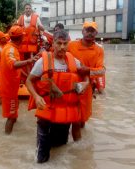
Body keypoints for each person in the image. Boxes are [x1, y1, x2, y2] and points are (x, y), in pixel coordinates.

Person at [26, 30, 89, 163]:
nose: (62, 47)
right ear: (53, 43)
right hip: (46, 112)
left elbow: (86, 72)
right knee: (42, 157)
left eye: (65, 43)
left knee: (60, 149)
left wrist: (86, 83)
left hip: (64, 113)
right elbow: (29, 80)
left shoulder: (74, 61)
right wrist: (37, 97)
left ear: (68, 44)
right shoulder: (42, 61)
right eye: (59, 43)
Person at [67, 21, 106, 140]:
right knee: (74, 118)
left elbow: (101, 71)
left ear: (96, 33)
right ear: (82, 31)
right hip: (70, 85)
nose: (89, 33)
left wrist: (87, 70)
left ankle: (80, 146)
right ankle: (77, 145)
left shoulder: (99, 50)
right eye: (87, 30)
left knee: (83, 118)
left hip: (87, 86)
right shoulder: (71, 45)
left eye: (92, 31)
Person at [0, 25, 38, 134]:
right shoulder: (10, 49)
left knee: (14, 113)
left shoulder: (12, 48)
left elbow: (16, 68)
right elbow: (14, 64)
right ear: (20, 37)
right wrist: (29, 61)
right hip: (8, 88)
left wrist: (27, 76)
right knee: (11, 116)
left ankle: (10, 138)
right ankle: (7, 140)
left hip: (11, 87)